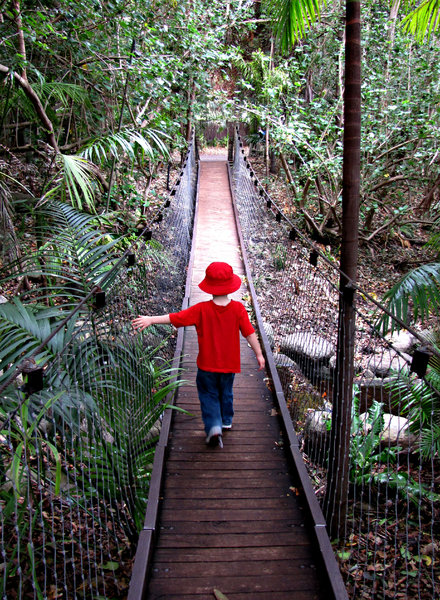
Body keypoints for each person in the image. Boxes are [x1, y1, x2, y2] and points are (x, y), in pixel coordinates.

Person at [132, 261, 265, 448]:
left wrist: (151, 320)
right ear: (230, 286)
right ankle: (226, 420)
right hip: (229, 366)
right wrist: (259, 354)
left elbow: (176, 317)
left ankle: (214, 427)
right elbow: (250, 333)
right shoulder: (238, 309)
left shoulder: (201, 310)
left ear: (209, 287)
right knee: (226, 391)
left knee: (208, 394)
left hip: (207, 366)